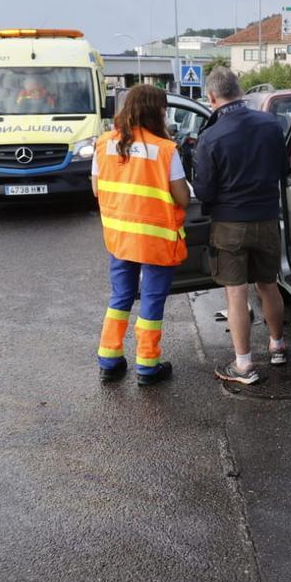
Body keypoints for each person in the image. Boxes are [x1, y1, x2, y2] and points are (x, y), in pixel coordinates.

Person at [192, 68, 289, 385]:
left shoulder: (211, 136)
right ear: (240, 90)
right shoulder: (271, 125)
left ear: (211, 97)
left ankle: (244, 365)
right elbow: (283, 169)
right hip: (267, 219)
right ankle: (277, 346)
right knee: (268, 284)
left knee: (235, 295)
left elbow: (204, 190)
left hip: (230, 224)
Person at [90, 84, 189, 386]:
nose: (165, 112)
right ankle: (147, 366)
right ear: (154, 111)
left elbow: (96, 189)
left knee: (120, 296)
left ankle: (109, 360)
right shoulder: (165, 150)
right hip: (155, 239)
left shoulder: (105, 144)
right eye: (163, 107)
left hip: (120, 237)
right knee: (151, 300)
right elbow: (183, 197)